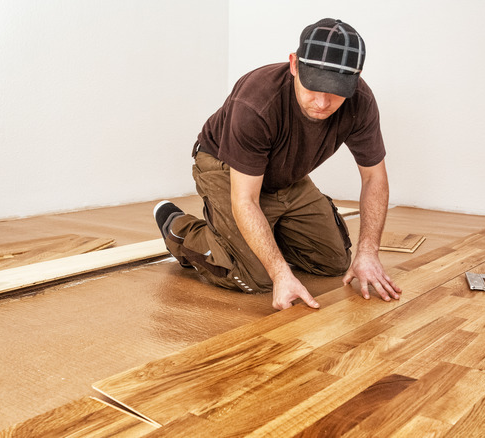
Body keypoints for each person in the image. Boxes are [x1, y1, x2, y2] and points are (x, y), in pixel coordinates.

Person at [154, 18, 401, 310]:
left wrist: (369, 252)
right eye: (313, 87)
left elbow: (374, 178)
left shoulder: (361, 101)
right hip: (225, 165)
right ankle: (179, 228)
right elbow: (245, 199)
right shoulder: (256, 102)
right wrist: (279, 272)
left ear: (355, 77)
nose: (322, 103)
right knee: (256, 277)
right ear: (294, 64)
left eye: (335, 91)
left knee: (334, 262)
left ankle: (263, 236)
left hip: (285, 174)